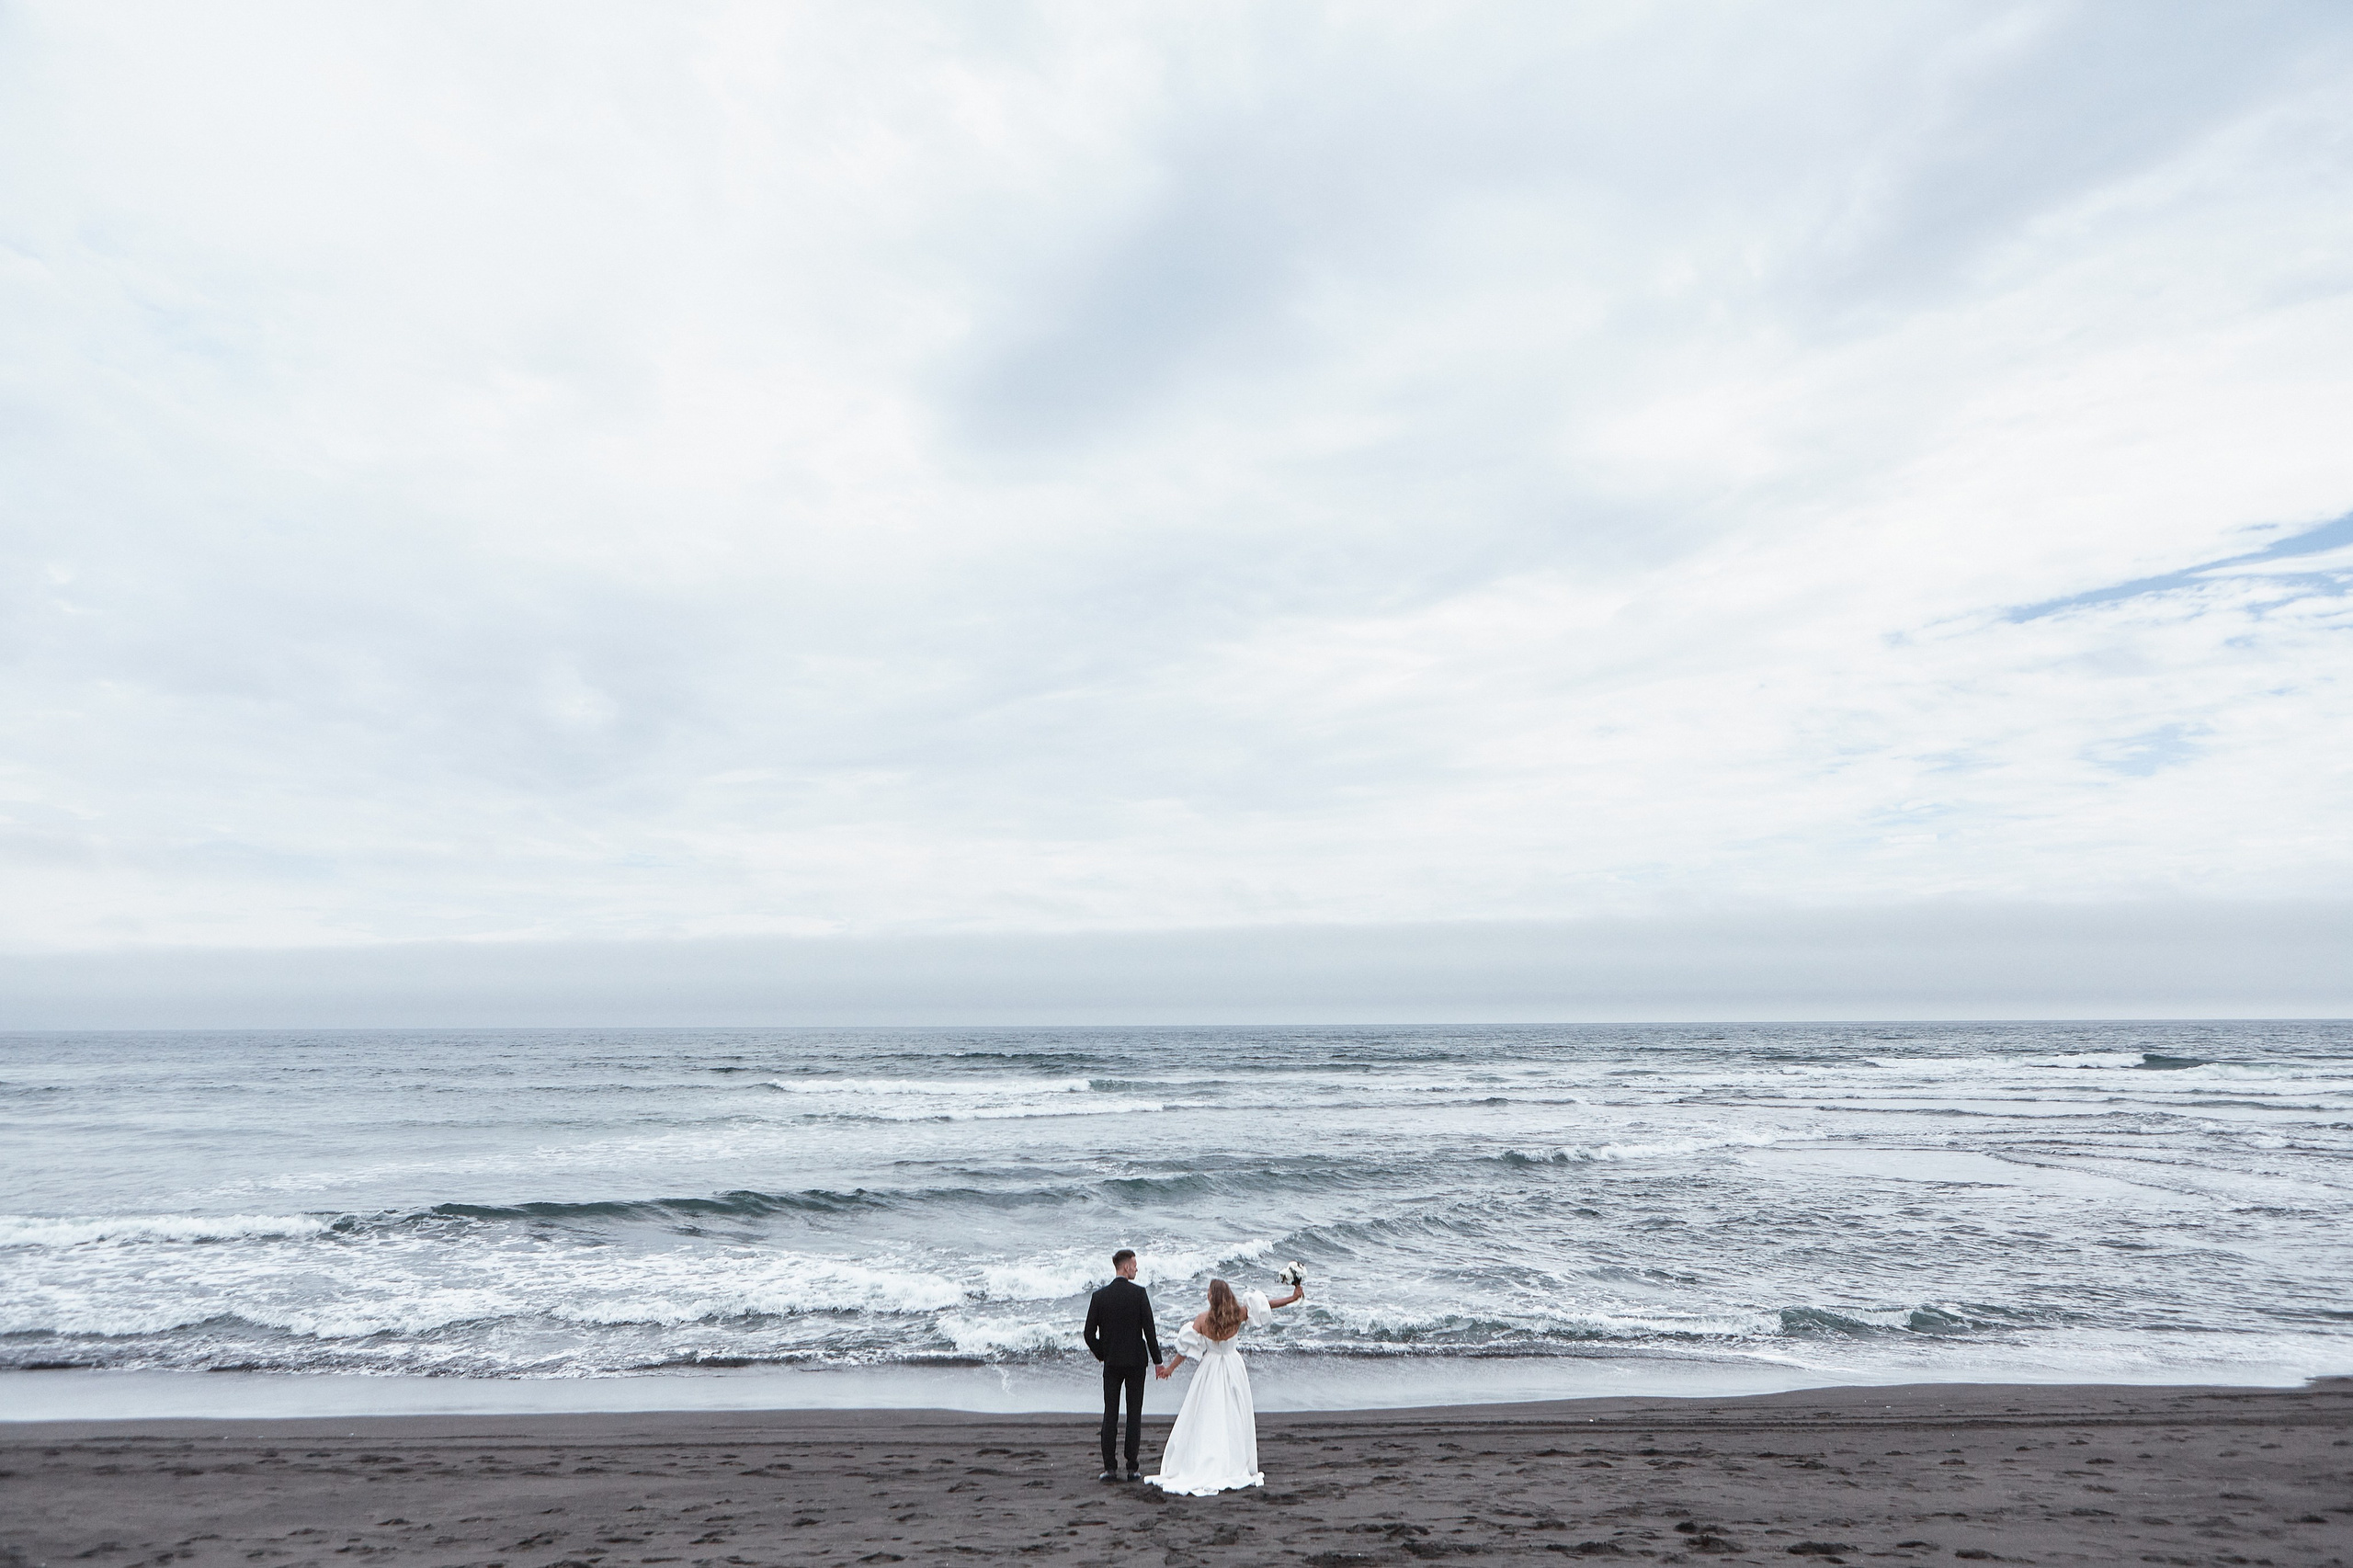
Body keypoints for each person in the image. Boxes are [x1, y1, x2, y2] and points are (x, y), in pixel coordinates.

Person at [1145, 1273, 1305, 1495]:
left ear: (1213, 1297)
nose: (1207, 1295)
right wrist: (1291, 1298)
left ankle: (1204, 1457)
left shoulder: (1202, 1320)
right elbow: (1266, 1305)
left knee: (1205, 1414)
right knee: (1234, 1414)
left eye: (1209, 1292)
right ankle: (1232, 1459)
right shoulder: (1238, 1314)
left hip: (1209, 1368)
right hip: (1232, 1366)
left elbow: (1185, 1349)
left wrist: (1170, 1368)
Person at [1082, 1247, 1162, 1482]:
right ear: (1126, 1267)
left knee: (1111, 1414)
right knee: (1134, 1414)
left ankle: (1109, 1468)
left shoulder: (1100, 1296)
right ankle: (1132, 1467)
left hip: (1113, 1362)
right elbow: (1150, 1331)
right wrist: (1158, 1361)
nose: (1137, 1268)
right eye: (1134, 1264)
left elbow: (1088, 1334)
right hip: (1136, 1361)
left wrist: (1103, 1353)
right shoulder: (1139, 1294)